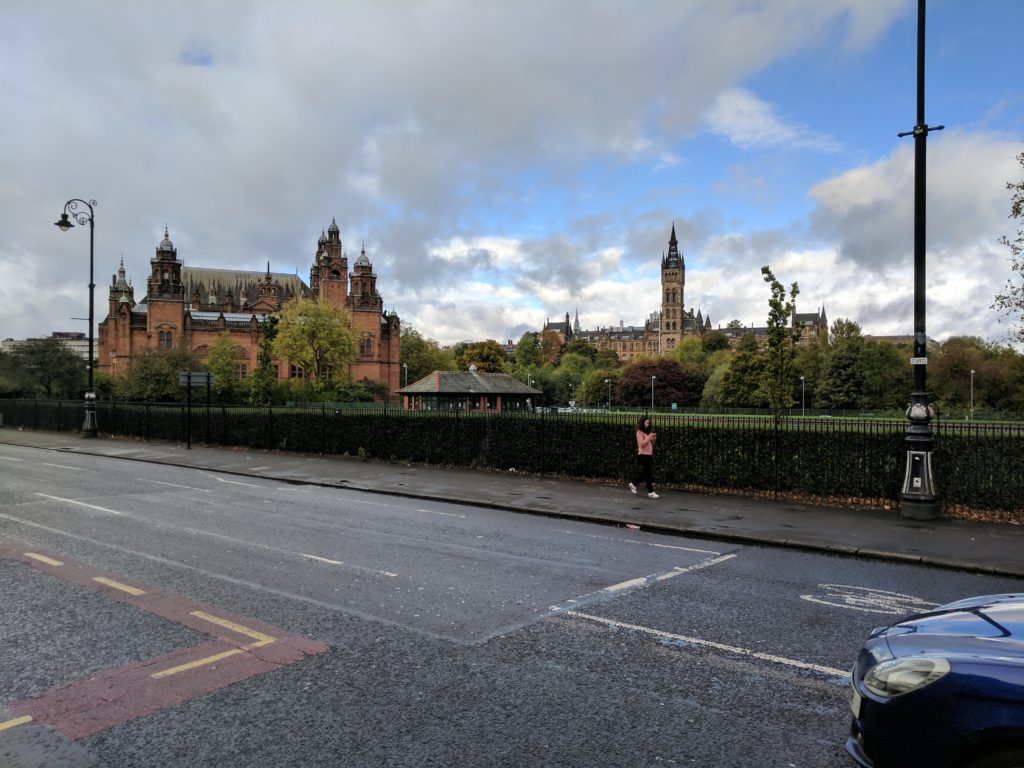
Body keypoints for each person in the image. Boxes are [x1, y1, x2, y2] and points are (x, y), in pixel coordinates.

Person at [628, 415, 659, 499]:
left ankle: (633, 484)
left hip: (649, 455)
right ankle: (651, 492)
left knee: (646, 473)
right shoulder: (639, 432)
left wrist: (654, 438)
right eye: (646, 422)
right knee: (648, 474)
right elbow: (642, 443)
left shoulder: (648, 432)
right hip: (642, 455)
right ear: (642, 423)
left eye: (648, 423)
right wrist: (649, 436)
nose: (647, 424)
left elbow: (651, 443)